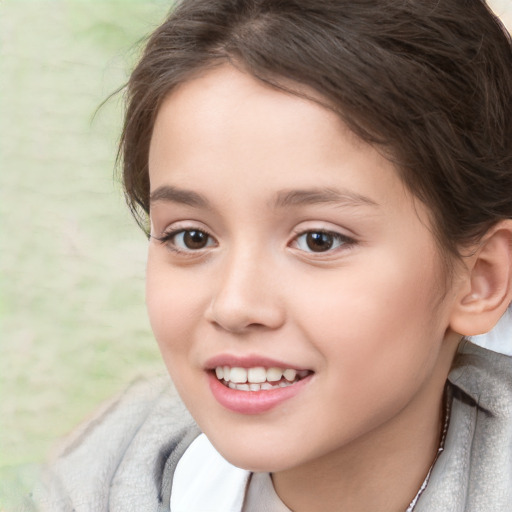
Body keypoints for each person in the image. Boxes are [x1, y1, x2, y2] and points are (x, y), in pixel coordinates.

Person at [34, 0, 512, 510]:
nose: (235, 305)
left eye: (318, 240)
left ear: (480, 279)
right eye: (191, 237)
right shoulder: (90, 482)